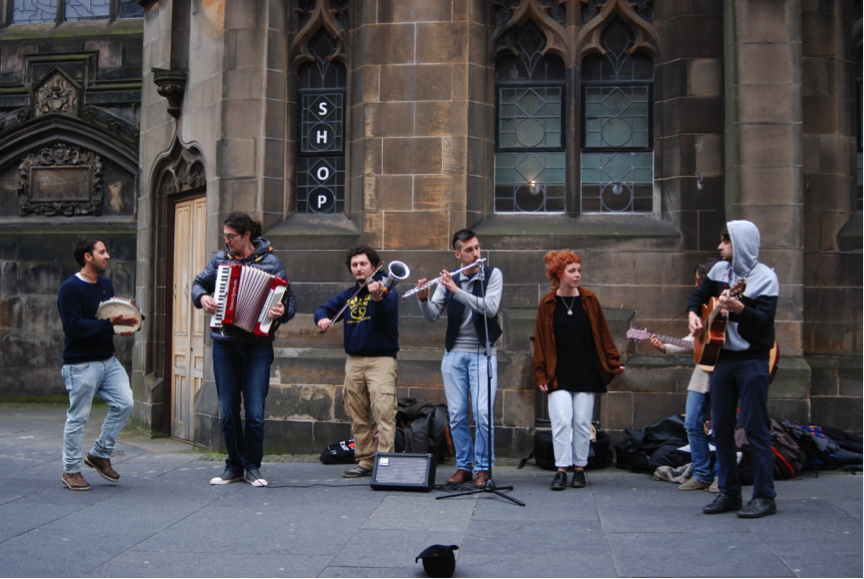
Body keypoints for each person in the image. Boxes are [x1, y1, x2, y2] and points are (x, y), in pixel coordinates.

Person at [192, 212, 296, 487]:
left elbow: (290, 300)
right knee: (227, 411)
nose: (226, 241)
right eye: (225, 236)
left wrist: (282, 311)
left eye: (231, 236)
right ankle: (233, 465)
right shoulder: (219, 260)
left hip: (258, 345)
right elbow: (198, 284)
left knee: (255, 412)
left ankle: (252, 466)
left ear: (247, 235)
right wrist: (202, 297)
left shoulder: (272, 262)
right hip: (224, 344)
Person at [688, 220, 779, 518]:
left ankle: (765, 496)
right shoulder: (717, 272)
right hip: (722, 359)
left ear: (739, 244)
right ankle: (729, 493)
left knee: (755, 428)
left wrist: (739, 308)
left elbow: (764, 324)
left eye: (725, 242)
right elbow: (699, 298)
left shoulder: (765, 278)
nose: (719, 247)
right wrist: (693, 315)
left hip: (752, 360)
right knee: (721, 428)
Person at [415, 230, 502, 488]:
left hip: (483, 354)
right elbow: (432, 315)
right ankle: (464, 466)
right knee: (457, 414)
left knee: (483, 413)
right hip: (454, 354)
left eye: (477, 248)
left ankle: (483, 468)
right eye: (469, 250)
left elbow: (490, 307)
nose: (476, 254)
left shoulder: (493, 275)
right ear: (458, 254)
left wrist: (457, 290)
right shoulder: (448, 279)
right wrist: (422, 299)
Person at [533, 251, 625, 491]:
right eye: (572, 270)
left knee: (583, 422)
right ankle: (562, 469)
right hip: (558, 372)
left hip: (586, 371)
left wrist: (614, 362)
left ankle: (580, 468)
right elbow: (541, 342)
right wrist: (541, 374)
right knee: (562, 420)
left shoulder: (590, 299)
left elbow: (603, 334)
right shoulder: (547, 304)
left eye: (579, 270)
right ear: (558, 273)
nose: (577, 275)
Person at [57, 236, 138, 491]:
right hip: (80, 364)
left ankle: (100, 454)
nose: (108, 256)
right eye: (102, 251)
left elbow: (105, 318)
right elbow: (74, 327)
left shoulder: (105, 284)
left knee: (125, 403)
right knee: (78, 418)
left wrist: (123, 324)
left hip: (107, 360)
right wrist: (110, 324)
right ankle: (70, 470)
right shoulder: (70, 288)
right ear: (87, 257)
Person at [315, 245, 399, 478]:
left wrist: (376, 296)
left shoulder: (387, 290)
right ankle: (365, 461)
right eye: (354, 265)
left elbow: (387, 312)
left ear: (374, 266)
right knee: (357, 413)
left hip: (381, 360)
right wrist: (322, 318)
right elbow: (324, 308)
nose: (359, 268)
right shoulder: (349, 295)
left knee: (384, 413)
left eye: (363, 264)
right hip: (354, 360)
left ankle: (385, 464)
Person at [649, 260, 718, 492]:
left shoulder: (727, 302)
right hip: (703, 372)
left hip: (726, 371)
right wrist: (666, 347)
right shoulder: (701, 307)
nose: (696, 285)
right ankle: (702, 473)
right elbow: (696, 341)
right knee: (692, 423)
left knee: (721, 425)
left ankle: (722, 476)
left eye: (699, 280)